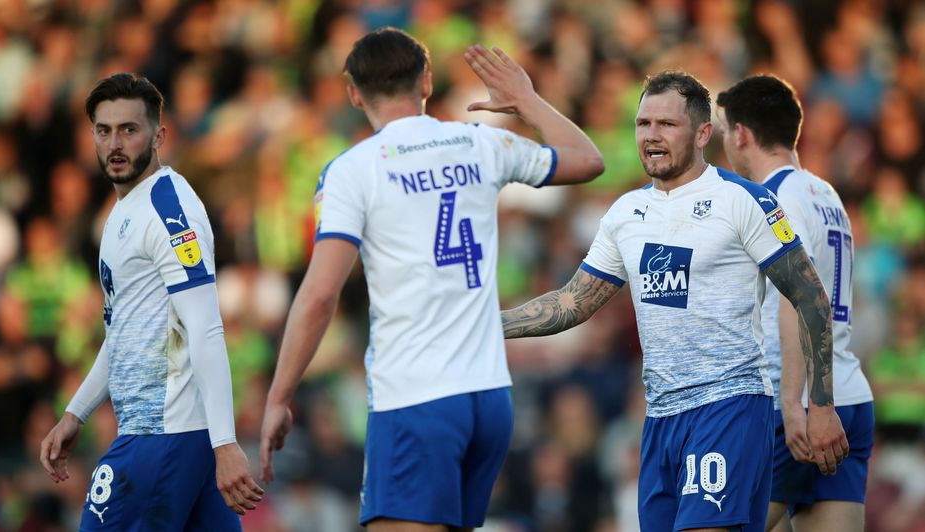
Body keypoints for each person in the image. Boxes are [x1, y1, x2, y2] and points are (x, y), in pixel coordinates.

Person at [259, 27, 604, 531]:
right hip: (489, 399)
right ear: (427, 81)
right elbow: (588, 160)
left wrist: (278, 397)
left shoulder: (353, 171)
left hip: (415, 398)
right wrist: (528, 100)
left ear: (353, 93)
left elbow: (319, 295)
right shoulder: (481, 143)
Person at [500, 71, 849, 532]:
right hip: (661, 417)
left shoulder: (746, 200)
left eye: (666, 124)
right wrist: (487, 322)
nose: (651, 136)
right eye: (643, 124)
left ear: (704, 133)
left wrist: (821, 406)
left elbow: (810, 298)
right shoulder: (626, 214)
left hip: (729, 406)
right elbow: (573, 302)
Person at [39, 73, 263, 530]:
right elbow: (123, 334)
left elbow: (205, 326)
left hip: (163, 437)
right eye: (104, 130)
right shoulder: (123, 212)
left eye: (129, 129)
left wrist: (225, 442)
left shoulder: (168, 208)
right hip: (179, 439)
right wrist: (75, 413)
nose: (115, 143)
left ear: (158, 135)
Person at [716, 74, 874, 532]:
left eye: (726, 131)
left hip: (799, 404)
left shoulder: (773, 199)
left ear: (741, 133)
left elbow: (798, 296)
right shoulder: (825, 194)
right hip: (848, 394)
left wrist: (792, 401)